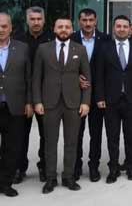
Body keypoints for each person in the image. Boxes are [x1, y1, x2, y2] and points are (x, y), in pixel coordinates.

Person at [33, 17, 91, 193]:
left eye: (67, 27)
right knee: (50, 142)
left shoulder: (80, 49)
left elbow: (87, 78)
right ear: (54, 29)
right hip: (49, 103)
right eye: (60, 27)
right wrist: (37, 101)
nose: (63, 29)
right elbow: (36, 78)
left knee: (71, 142)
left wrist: (86, 102)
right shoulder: (43, 49)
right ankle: (50, 178)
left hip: (73, 103)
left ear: (72, 29)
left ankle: (68, 177)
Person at [95, 16, 132, 183]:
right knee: (112, 137)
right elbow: (99, 74)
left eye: (125, 26)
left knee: (131, 135)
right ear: (114, 28)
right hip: (110, 100)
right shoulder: (104, 47)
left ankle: (131, 167)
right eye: (118, 26)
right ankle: (113, 169)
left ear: (129, 29)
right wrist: (100, 97)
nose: (122, 29)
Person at [12, 6, 54, 183]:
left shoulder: (52, 39)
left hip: (47, 95)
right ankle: (19, 168)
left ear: (44, 20)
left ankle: (44, 167)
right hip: (22, 96)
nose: (36, 22)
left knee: (46, 135)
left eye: (39, 19)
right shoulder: (17, 40)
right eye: (32, 19)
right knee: (20, 135)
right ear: (27, 20)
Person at [72, 8, 111, 182]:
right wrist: (75, 78)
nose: (88, 23)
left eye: (91, 20)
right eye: (84, 20)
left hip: (98, 95)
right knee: (76, 133)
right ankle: (76, 166)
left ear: (96, 21)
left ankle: (93, 166)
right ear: (79, 21)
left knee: (96, 134)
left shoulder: (106, 39)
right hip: (75, 94)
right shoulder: (71, 38)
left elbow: (109, 66)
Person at [0, 13, 32, 197]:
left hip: (16, 105)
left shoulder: (22, 48)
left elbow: (28, 77)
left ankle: (6, 183)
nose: (1, 30)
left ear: (11, 28)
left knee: (12, 147)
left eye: (4, 26)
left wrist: (29, 102)